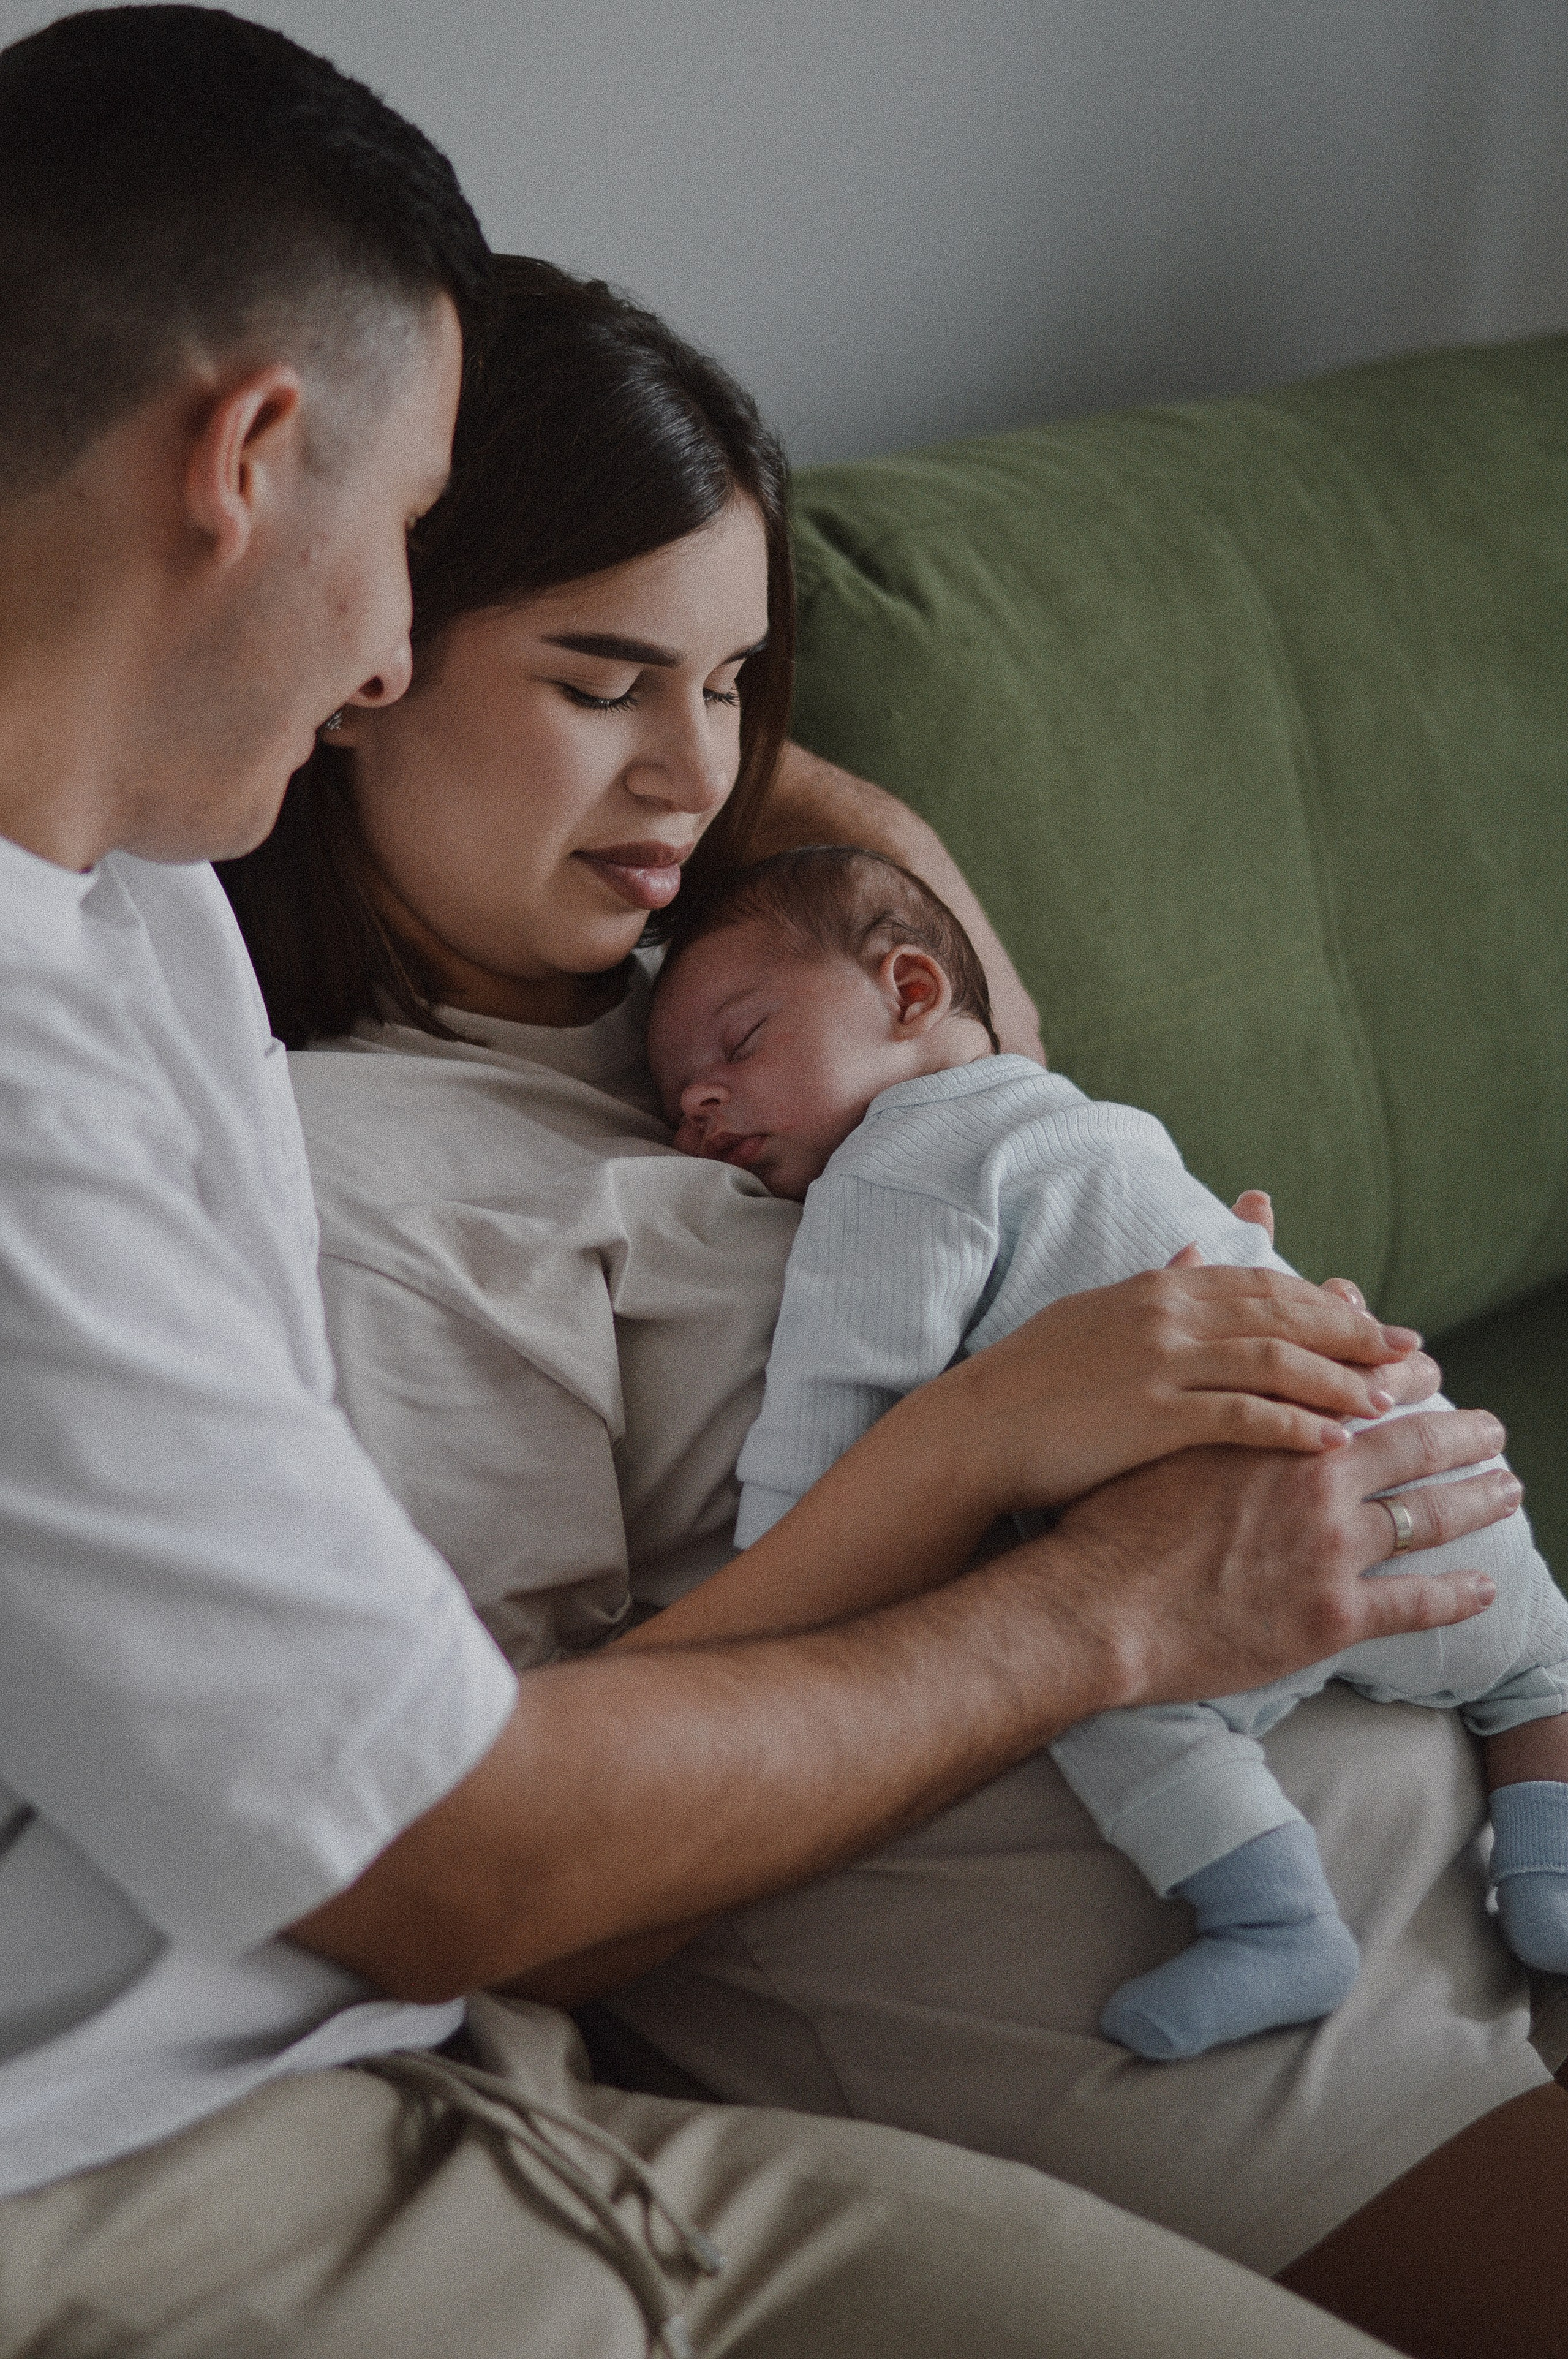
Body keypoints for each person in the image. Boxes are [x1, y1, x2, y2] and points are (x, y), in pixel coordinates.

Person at [0, 12, 1503, 2357]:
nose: (375, 659)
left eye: (730, 686)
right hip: (234, 2136)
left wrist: (721, 755)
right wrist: (1082, 1559)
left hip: (1413, 1761)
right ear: (251, 463)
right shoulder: (241, 1123)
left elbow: (949, 1014)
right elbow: (472, 1865)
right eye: (413, 562)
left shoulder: (140, 891)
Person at [639, 842, 1568, 2064]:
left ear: (909, 991)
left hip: (1256, 1560)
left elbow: (831, 1418)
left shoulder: (888, 1174)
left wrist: (762, 1571)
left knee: (1096, 1691)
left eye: (739, 1042)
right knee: (1540, 1662)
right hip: (1428, 1481)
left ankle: (1277, 1923)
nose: (701, 1104)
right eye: (676, 1103)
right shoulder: (1097, 1123)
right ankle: (1550, 1882)